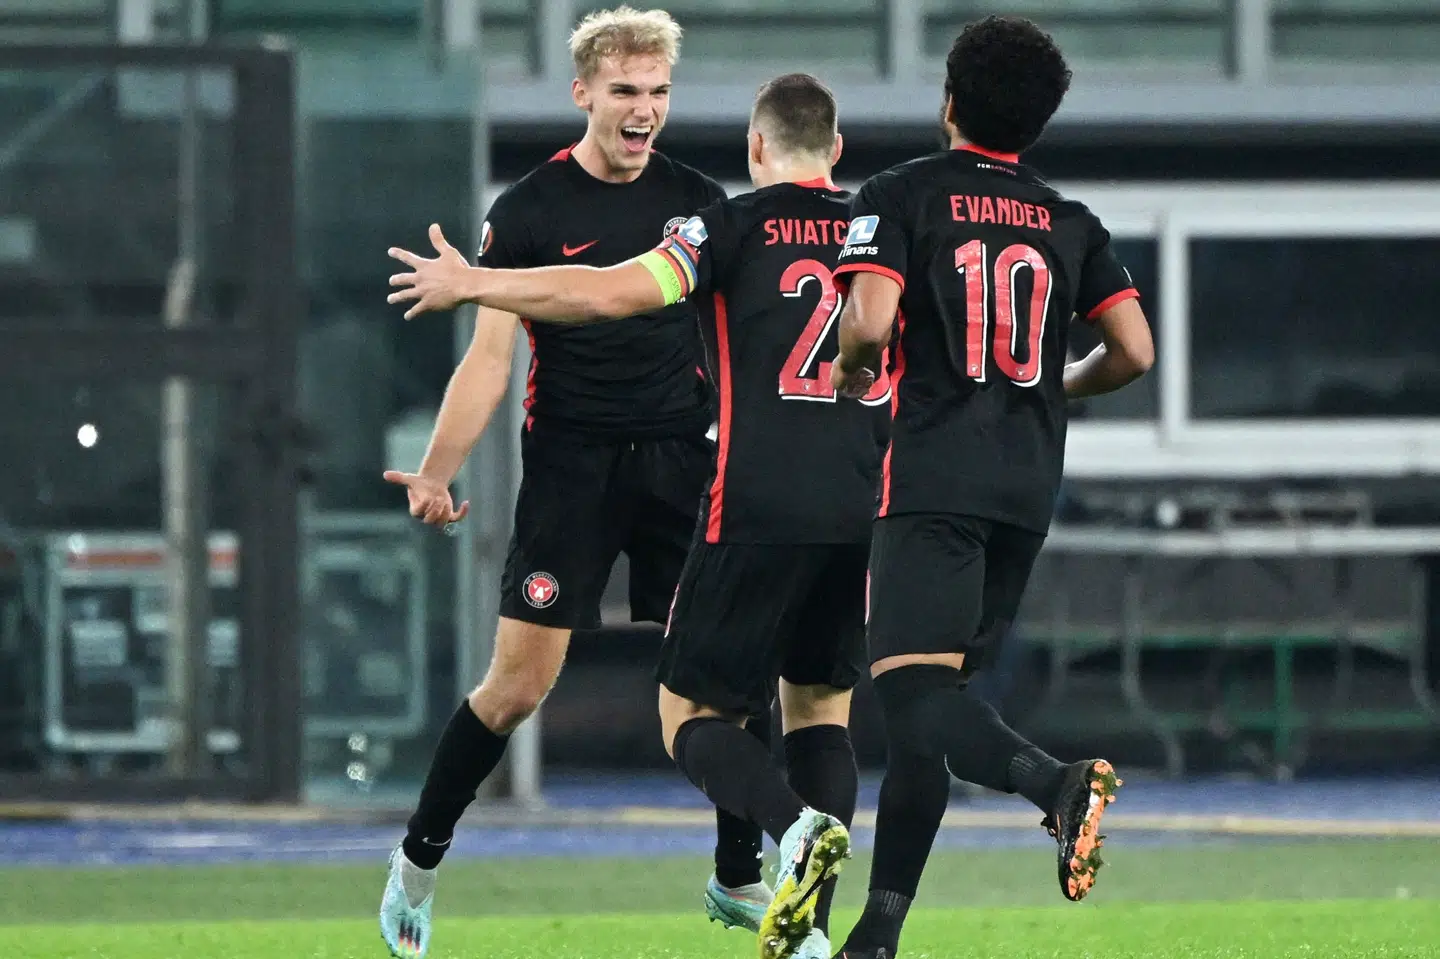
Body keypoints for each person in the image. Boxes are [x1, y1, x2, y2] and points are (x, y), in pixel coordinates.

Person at [387, 73, 885, 959]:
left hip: (683, 461)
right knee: (517, 688)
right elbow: (493, 361)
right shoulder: (533, 205)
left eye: (657, 89)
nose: (643, 106)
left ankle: (743, 877)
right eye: (624, 88)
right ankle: (417, 862)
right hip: (573, 467)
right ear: (583, 92)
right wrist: (438, 467)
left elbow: (623, 293)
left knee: (733, 674)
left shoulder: (704, 205)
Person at [826, 16, 1155, 959]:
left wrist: (854, 368)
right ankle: (877, 934)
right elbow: (1133, 350)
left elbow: (870, 319)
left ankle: (1055, 783)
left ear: (949, 102)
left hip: (934, 473)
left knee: (913, 700)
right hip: (1025, 486)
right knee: (934, 708)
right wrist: (1058, 383)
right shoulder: (1070, 220)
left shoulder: (898, 195)